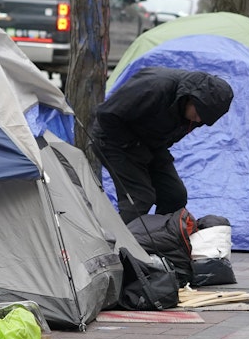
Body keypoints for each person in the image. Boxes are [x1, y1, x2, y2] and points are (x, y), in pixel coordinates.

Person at [91, 67, 234, 224]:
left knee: (174, 195)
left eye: (204, 120)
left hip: (150, 142)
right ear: (190, 98)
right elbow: (106, 115)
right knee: (140, 197)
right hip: (113, 138)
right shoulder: (155, 87)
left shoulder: (198, 112)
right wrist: (133, 146)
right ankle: (119, 244)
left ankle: (157, 239)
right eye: (198, 114)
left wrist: (149, 151)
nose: (198, 121)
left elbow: (174, 133)